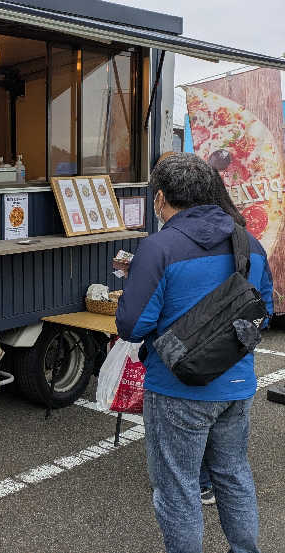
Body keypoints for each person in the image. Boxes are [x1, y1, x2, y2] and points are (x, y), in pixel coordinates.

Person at [116, 153, 273, 553]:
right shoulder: (249, 243)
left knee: (178, 488)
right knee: (233, 474)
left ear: (161, 198)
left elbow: (133, 325)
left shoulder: (159, 247)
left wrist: (133, 287)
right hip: (236, 384)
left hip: (177, 387)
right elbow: (263, 313)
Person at [199, 167, 248, 507]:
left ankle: (202, 484)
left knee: (195, 428)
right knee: (231, 462)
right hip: (236, 361)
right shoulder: (244, 235)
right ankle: (218, 485)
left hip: (196, 354)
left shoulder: (186, 240)